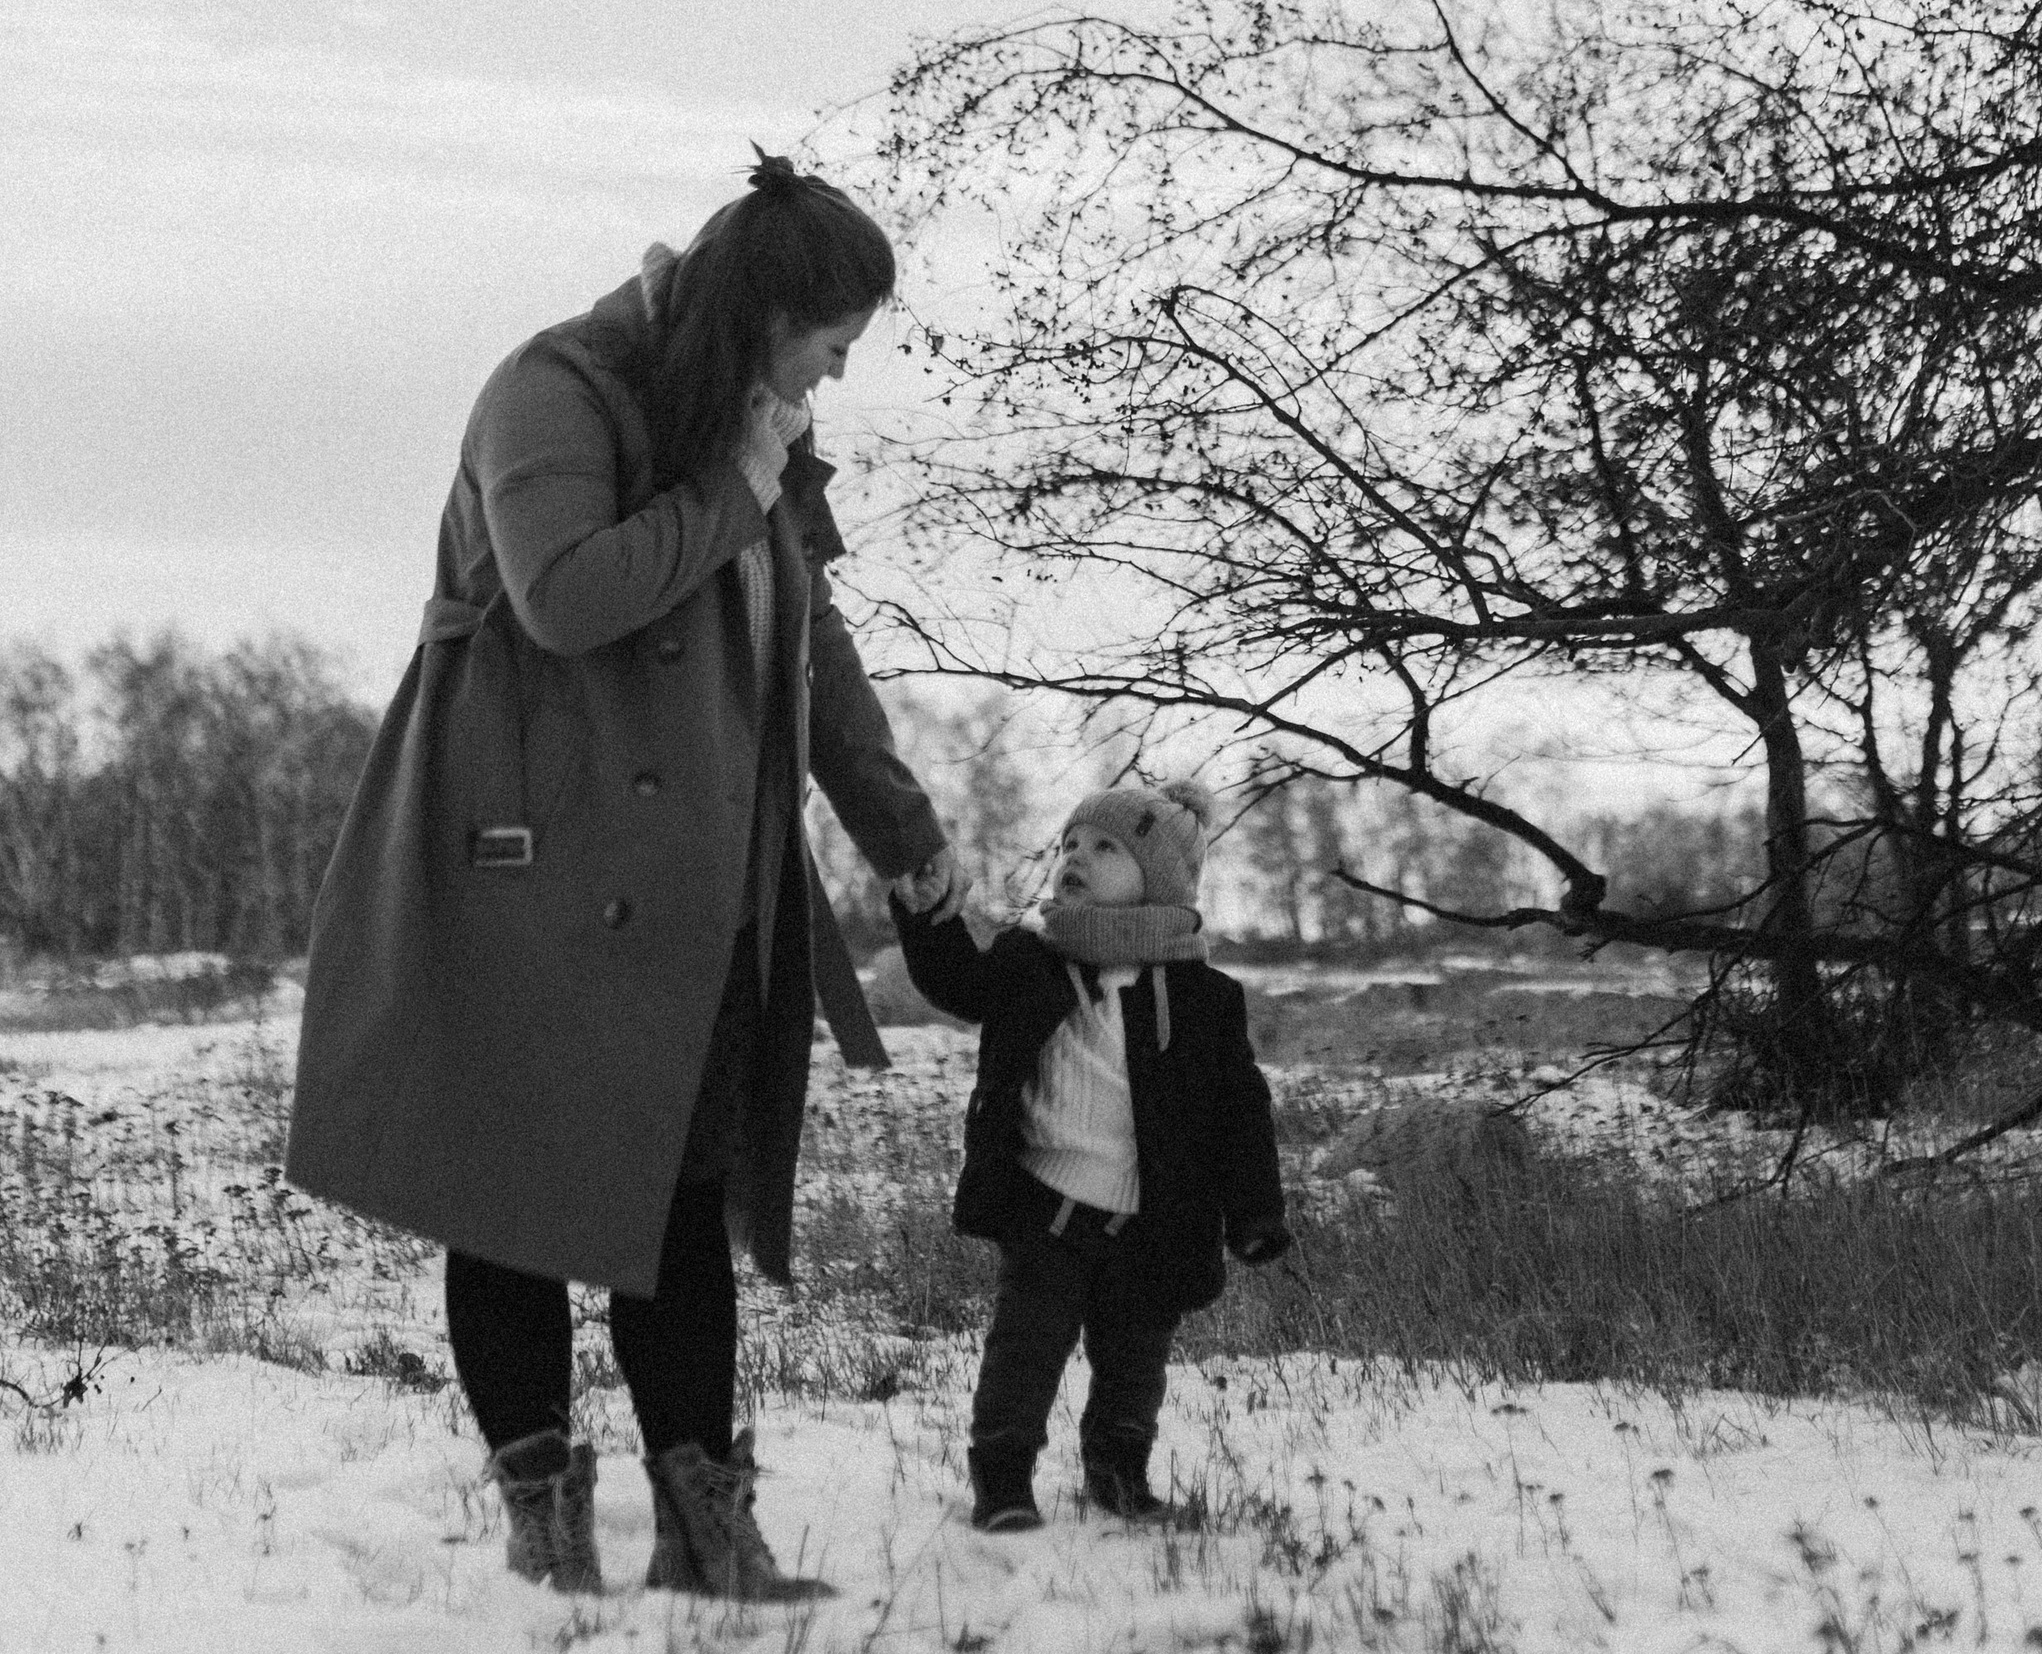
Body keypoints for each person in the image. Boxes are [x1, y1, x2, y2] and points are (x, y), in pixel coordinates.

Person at [285, 152, 952, 1603]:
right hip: (519, 861)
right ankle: (545, 1514)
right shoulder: (556, 388)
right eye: (833, 344)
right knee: (508, 1194)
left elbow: (812, 649)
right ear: (774, 310)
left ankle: (708, 1533)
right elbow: (567, 593)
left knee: (677, 1196)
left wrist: (909, 837)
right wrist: (732, 485)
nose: (836, 377)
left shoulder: (757, 438)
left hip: (696, 879)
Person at [889, 777, 1289, 1533]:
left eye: (1106, 847)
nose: (1077, 856)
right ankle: (1003, 1478)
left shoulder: (1206, 997)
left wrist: (1256, 1211)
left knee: (1135, 1362)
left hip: (1156, 1219)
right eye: (1071, 842)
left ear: (1160, 879)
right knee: (1025, 1352)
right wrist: (924, 913)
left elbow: (1240, 1110)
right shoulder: (1029, 960)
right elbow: (953, 980)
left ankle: (1118, 1472)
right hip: (1048, 1206)